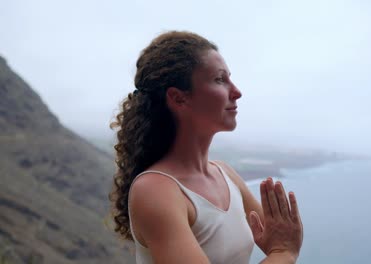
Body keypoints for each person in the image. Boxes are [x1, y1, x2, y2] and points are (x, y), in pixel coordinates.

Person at [109, 31, 303, 264]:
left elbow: (277, 239)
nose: (237, 92)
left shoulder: (226, 174)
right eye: (220, 80)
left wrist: (281, 248)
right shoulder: (156, 190)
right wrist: (284, 254)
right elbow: (281, 247)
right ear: (179, 98)